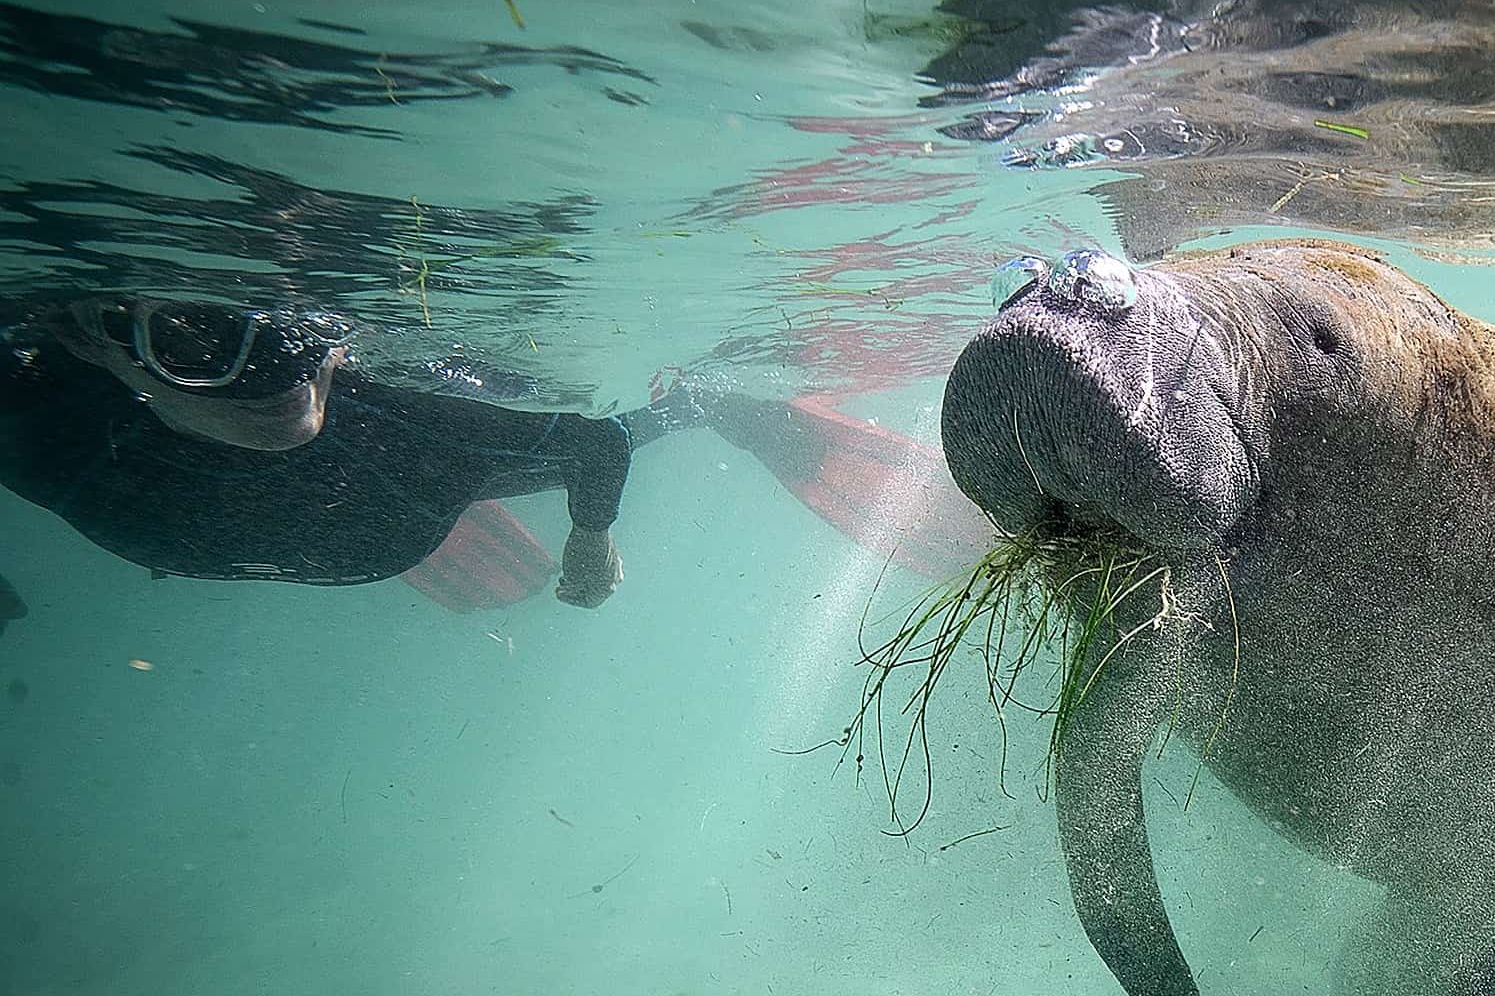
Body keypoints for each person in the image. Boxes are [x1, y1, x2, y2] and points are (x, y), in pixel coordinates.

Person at [0, 299, 988, 617]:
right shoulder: (405, 430)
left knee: (526, 437)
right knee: (554, 432)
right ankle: (702, 402)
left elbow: (584, 439)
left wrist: (591, 541)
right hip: (372, 513)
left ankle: (700, 403)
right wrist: (590, 544)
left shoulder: (54, 424)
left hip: (306, 515)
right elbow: (591, 436)